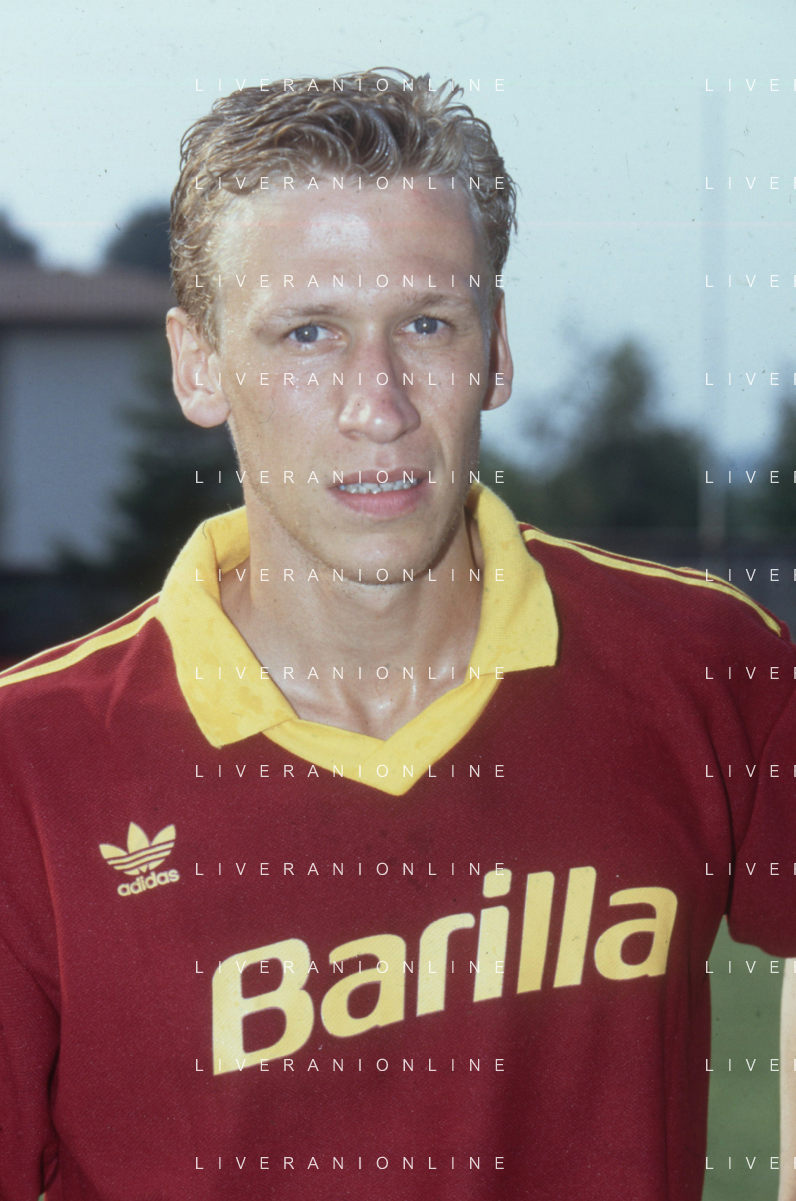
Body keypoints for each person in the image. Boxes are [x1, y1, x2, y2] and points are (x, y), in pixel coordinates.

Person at [1, 69, 795, 1201]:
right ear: (199, 364)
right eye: (308, 333)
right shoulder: (30, 765)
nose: (377, 403)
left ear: (496, 348)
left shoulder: (706, 668)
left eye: (426, 324)